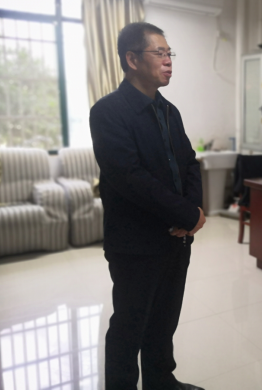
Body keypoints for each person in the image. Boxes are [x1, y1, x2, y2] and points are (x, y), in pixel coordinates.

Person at [90, 22, 206, 390]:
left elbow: (189, 163)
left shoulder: (170, 111)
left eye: (170, 54)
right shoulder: (108, 112)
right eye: (160, 53)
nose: (169, 60)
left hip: (176, 240)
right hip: (135, 245)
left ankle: (161, 381)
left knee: (164, 320)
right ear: (132, 59)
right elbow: (130, 178)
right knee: (130, 325)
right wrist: (185, 213)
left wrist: (193, 212)